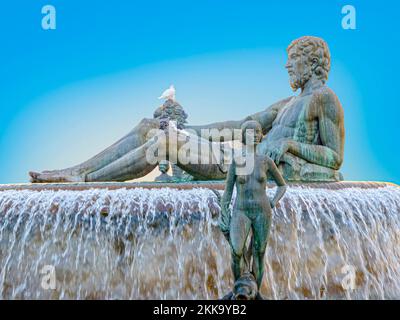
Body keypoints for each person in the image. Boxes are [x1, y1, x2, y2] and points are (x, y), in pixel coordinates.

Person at [29, 36, 344, 183]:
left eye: (293, 58)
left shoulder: (325, 98)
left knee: (163, 143)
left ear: (313, 62)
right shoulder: (286, 104)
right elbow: (242, 124)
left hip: (247, 168)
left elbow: (334, 157)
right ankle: (76, 171)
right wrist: (185, 132)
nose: (287, 64)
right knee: (149, 128)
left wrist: (288, 144)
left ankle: (85, 182)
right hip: (235, 158)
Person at [219, 120, 287, 293]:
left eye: (258, 132)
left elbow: (282, 185)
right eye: (251, 132)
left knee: (260, 252)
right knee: (236, 251)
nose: (255, 135)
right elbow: (228, 190)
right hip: (241, 210)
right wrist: (224, 211)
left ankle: (254, 292)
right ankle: (239, 290)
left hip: (262, 211)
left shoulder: (266, 161)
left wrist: (274, 201)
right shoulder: (237, 161)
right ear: (243, 136)